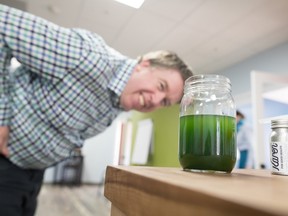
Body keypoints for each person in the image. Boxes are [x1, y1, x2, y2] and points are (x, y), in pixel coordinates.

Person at [0, 4, 193, 216]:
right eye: (161, 86)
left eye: (165, 102)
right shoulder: (86, 55)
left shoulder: (122, 101)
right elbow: (3, 24)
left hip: (32, 174)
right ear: (144, 65)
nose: (155, 101)